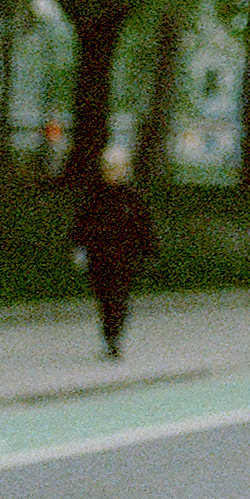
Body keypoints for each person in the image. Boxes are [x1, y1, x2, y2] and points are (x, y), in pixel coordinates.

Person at [66, 146, 157, 360]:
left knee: (118, 298)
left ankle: (114, 339)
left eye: (116, 168)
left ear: (125, 169)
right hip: (99, 256)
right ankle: (109, 335)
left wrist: (149, 251)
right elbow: (82, 223)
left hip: (124, 257)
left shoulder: (131, 197)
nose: (112, 172)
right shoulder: (95, 195)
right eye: (108, 167)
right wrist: (79, 248)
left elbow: (144, 226)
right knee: (104, 298)